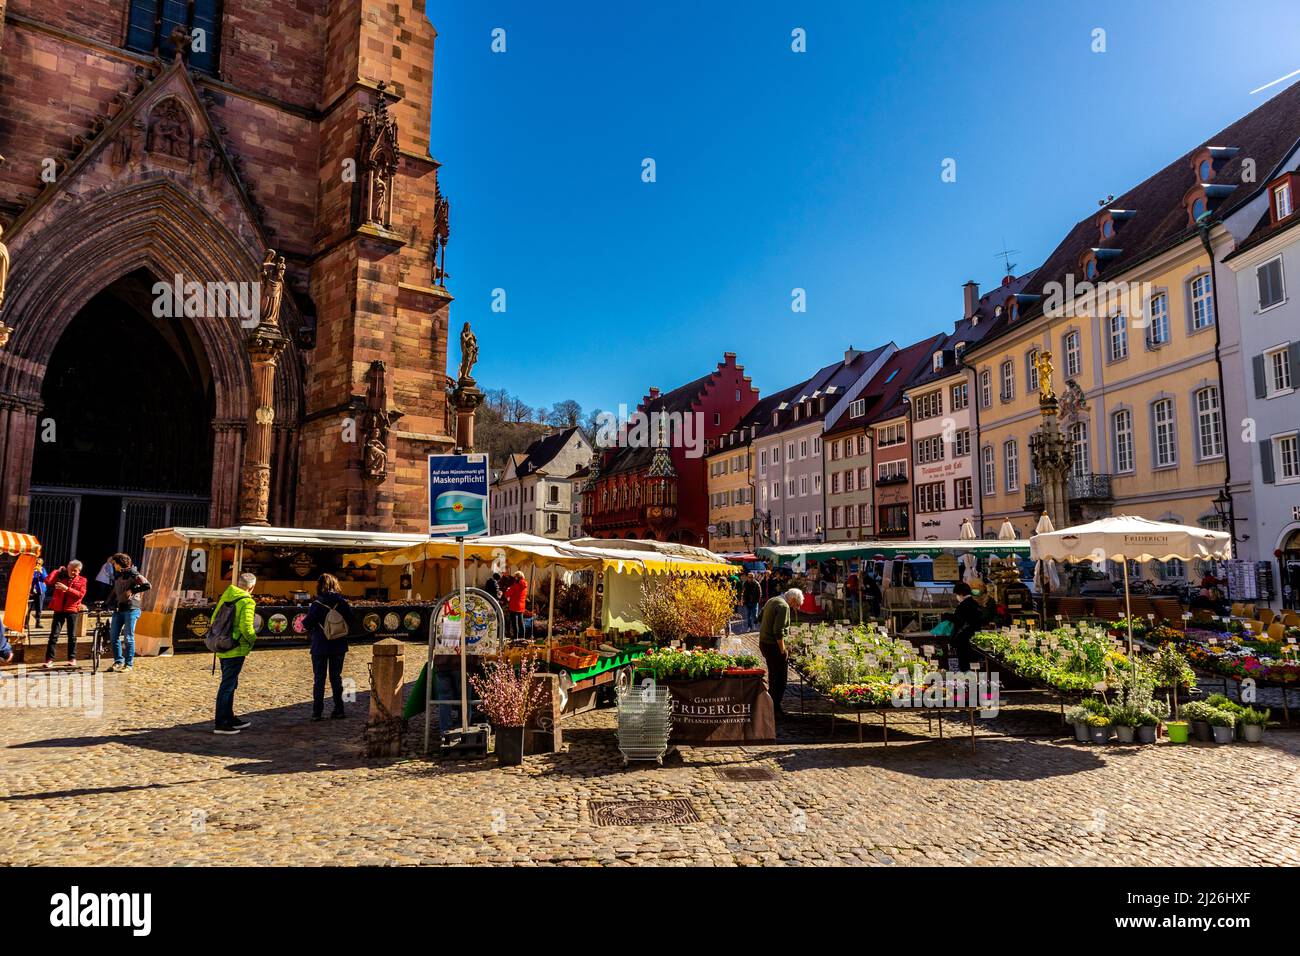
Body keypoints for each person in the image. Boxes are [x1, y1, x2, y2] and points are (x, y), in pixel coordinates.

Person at [303, 573, 355, 721]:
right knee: (336, 678)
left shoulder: (317, 604)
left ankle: (317, 712)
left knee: (319, 679)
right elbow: (352, 619)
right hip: (338, 644)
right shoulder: (342, 602)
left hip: (320, 644)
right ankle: (339, 709)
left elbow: (307, 623)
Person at [213, 572, 258, 735]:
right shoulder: (247, 601)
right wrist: (253, 639)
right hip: (235, 647)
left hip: (222, 645)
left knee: (230, 684)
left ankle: (229, 717)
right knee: (227, 685)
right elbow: (247, 627)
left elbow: (214, 619)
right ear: (251, 587)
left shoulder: (227, 595)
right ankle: (221, 722)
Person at [758, 587, 802, 717]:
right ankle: (774, 709)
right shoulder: (784, 606)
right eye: (797, 604)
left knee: (773, 676)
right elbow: (779, 632)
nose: (797, 608)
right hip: (773, 646)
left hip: (764, 643)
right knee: (780, 680)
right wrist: (783, 650)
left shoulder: (773, 600)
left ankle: (770, 707)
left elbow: (760, 617)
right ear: (792, 599)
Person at [105, 553, 150, 673]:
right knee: (113, 636)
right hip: (119, 609)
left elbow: (147, 585)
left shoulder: (133, 573)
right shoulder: (118, 575)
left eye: (114, 564)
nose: (113, 566)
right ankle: (118, 661)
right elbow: (115, 590)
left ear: (120, 563)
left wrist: (132, 590)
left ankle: (128, 664)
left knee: (128, 637)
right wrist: (106, 603)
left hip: (131, 609)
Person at [44, 560, 87, 667]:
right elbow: (48, 581)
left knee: (72, 636)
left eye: (75, 571)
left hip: (72, 610)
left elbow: (80, 595)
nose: (73, 572)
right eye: (71, 570)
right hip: (58, 609)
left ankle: (72, 658)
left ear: (79, 571)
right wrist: (56, 571)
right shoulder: (61, 577)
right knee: (53, 635)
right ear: (67, 568)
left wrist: (66, 589)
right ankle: (49, 659)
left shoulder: (82, 580)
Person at [944, 581, 984, 671]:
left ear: (961, 594)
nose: (957, 597)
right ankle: (976, 681)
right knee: (973, 662)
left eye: (957, 594)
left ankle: (967, 681)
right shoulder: (975, 604)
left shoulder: (963, 605)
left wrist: (947, 616)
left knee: (964, 662)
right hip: (974, 637)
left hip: (963, 639)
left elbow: (958, 620)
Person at [504, 571, 528, 641]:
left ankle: (516, 637)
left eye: (515, 577)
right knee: (521, 622)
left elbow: (507, 594)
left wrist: (508, 589)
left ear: (517, 577)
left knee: (515, 622)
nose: (514, 579)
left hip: (514, 605)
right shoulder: (525, 585)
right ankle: (522, 637)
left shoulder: (515, 586)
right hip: (521, 606)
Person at [28, 559, 47, 631]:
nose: (37, 564)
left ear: (41, 564)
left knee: (39, 608)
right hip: (30, 592)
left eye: (39, 563)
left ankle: (38, 622)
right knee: (28, 608)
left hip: (40, 591)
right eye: (36, 563)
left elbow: (46, 579)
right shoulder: (30, 570)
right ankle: (26, 623)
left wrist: (41, 572)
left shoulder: (42, 569)